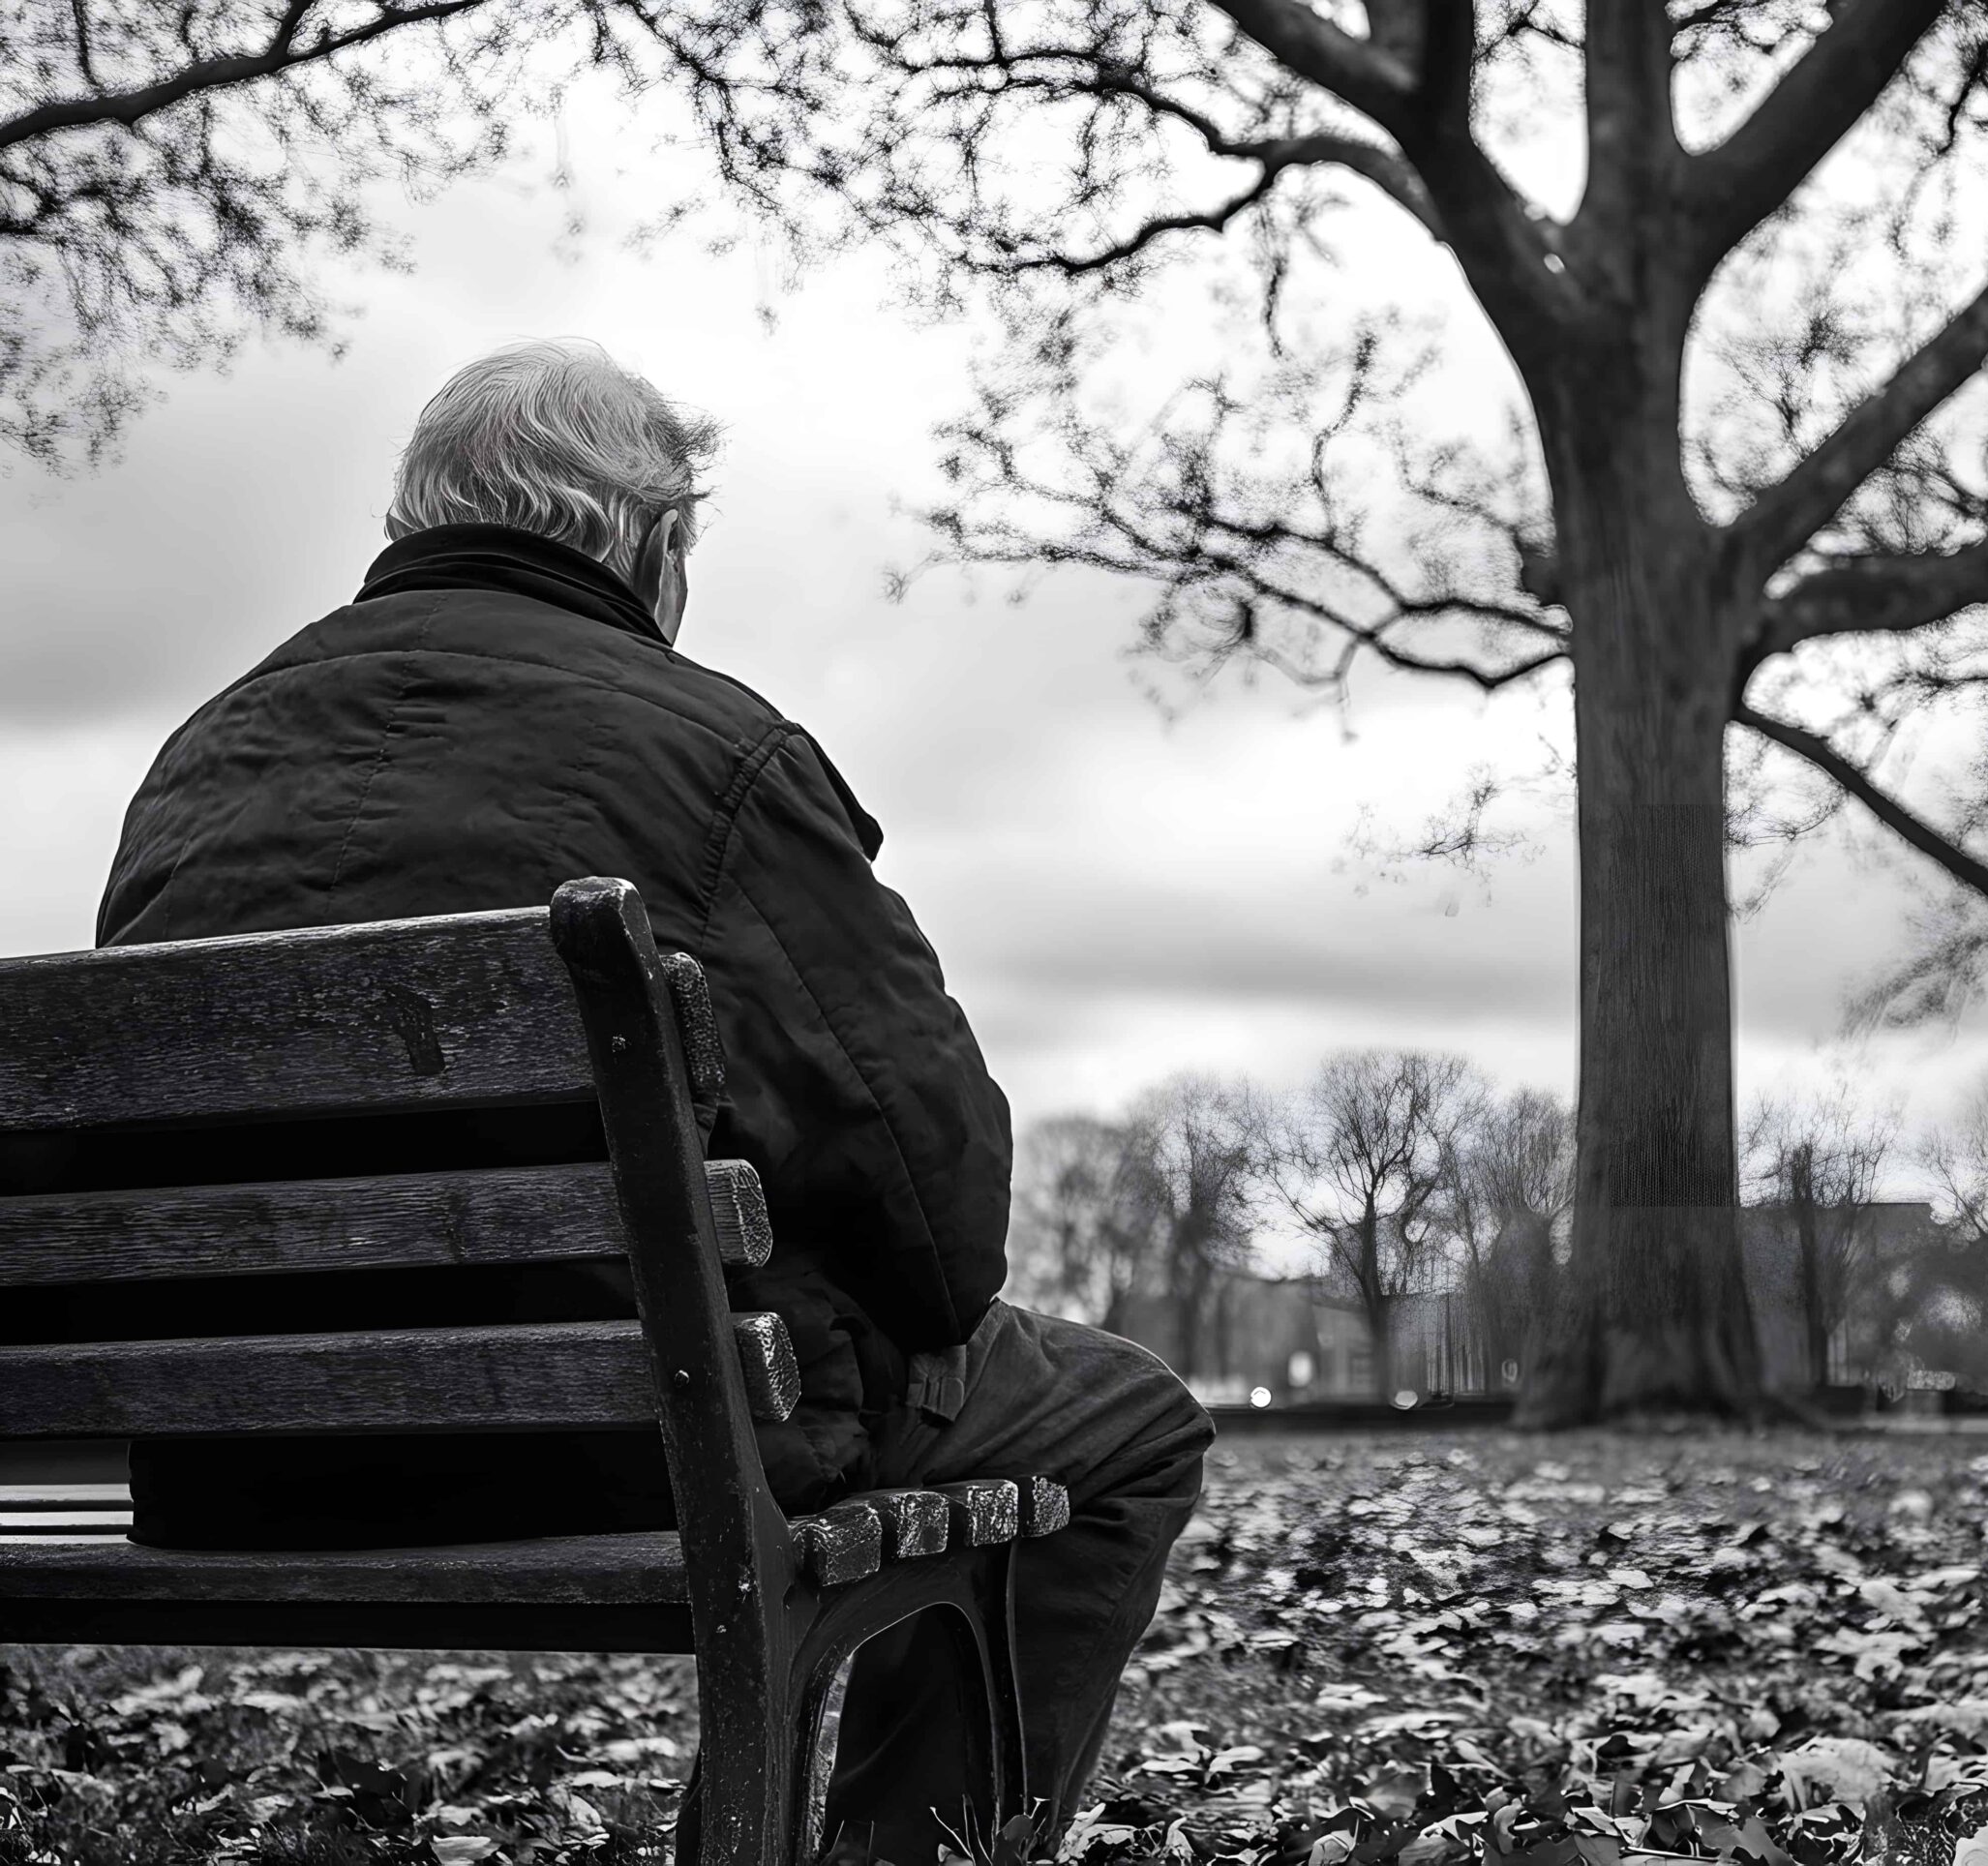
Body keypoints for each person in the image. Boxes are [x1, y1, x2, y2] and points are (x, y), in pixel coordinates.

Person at [94, 337, 1215, 1854]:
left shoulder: (198, 758)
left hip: (235, 1462)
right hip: (633, 1447)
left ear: (416, 517)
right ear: (654, 537)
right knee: (1131, 1420)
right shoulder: (715, 757)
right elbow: (937, 1202)